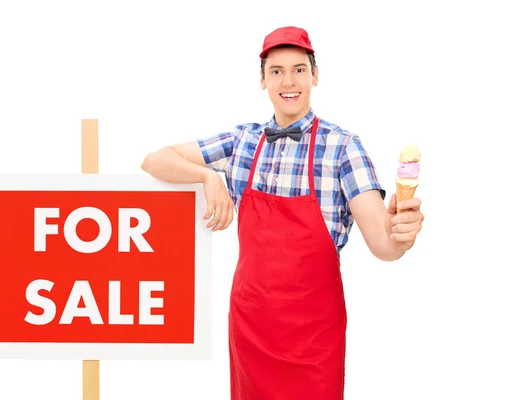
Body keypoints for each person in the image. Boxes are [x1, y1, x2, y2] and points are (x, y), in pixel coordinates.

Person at [141, 26, 424, 400]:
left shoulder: (343, 148)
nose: (288, 81)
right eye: (276, 71)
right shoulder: (243, 141)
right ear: (262, 80)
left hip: (314, 338)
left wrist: (401, 235)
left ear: (315, 75)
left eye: (299, 69)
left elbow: (382, 243)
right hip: (251, 328)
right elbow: (155, 160)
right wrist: (208, 177)